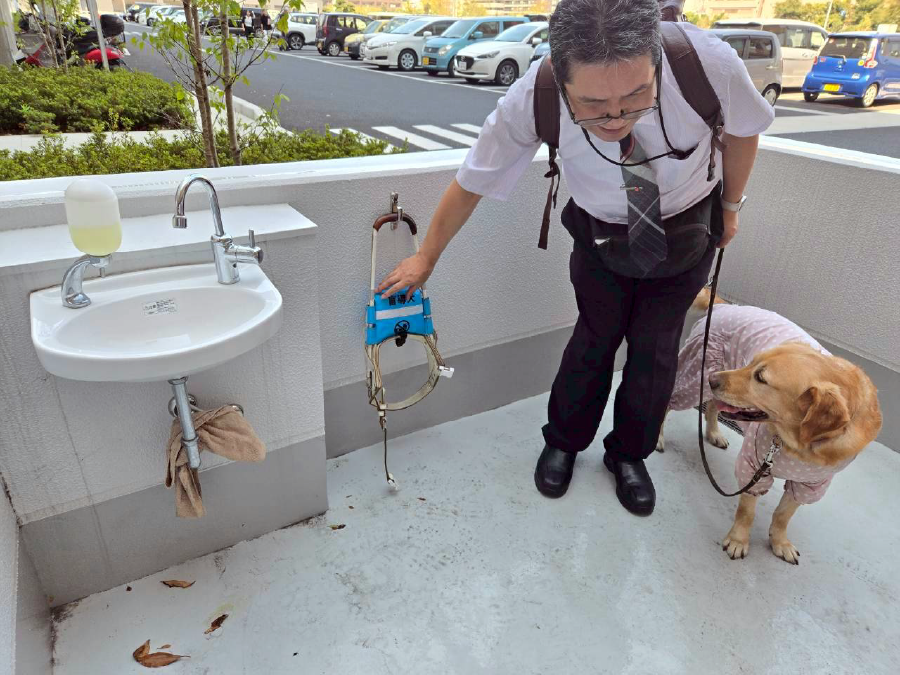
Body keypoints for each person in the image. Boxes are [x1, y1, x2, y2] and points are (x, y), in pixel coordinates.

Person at [376, 0, 775, 517]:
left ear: (655, 58)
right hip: (601, 236)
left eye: (636, 97)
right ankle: (563, 442)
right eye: (593, 104)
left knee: (656, 350)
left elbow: (745, 129)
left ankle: (629, 455)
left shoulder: (708, 62)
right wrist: (427, 256)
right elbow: (472, 180)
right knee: (593, 340)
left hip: (686, 229)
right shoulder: (533, 96)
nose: (615, 117)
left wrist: (730, 206)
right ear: (561, 81)